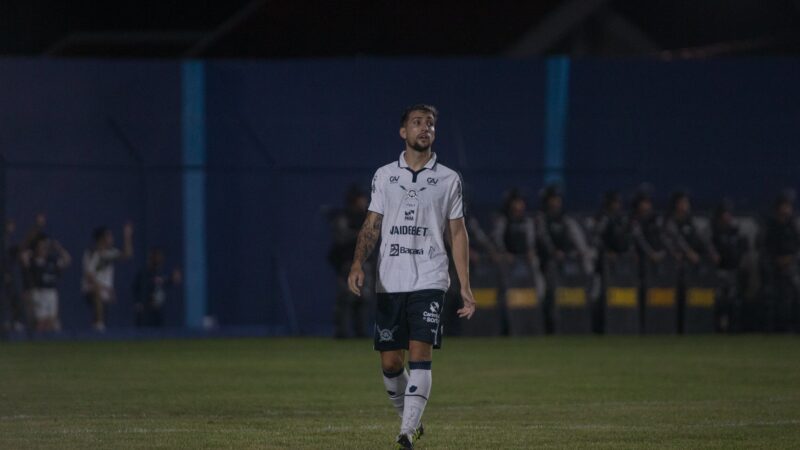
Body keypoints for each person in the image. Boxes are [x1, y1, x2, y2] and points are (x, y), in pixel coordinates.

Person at [347, 104, 476, 449]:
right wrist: (358, 263)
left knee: (420, 352)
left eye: (430, 124)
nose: (425, 128)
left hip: (431, 279)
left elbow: (458, 232)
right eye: (417, 123)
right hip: (391, 280)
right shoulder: (385, 175)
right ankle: (413, 420)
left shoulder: (449, 179)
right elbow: (373, 224)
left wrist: (465, 284)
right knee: (391, 362)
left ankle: (405, 433)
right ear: (402, 132)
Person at [327, 185, 373, 338]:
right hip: (348, 264)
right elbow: (341, 237)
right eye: (361, 199)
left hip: (365, 264)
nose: (364, 201)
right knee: (346, 298)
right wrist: (361, 234)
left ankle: (361, 331)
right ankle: (342, 332)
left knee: (364, 298)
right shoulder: (344, 217)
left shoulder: (367, 217)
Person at [81, 223, 133, 331]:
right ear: (102, 239)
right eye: (109, 236)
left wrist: (127, 236)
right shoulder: (91, 253)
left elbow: (127, 255)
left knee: (100, 316)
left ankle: (97, 329)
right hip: (91, 288)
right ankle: (99, 326)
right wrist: (106, 289)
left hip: (105, 290)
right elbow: (89, 276)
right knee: (97, 296)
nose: (111, 238)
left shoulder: (111, 252)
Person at [761, 191, 800, 332]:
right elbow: (766, 249)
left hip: (791, 268)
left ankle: (792, 327)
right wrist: (776, 261)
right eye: (785, 206)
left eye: (789, 206)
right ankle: (774, 328)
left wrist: (790, 259)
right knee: (775, 299)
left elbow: (796, 247)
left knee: (793, 294)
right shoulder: (771, 225)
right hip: (773, 269)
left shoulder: (792, 225)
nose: (787, 209)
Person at [20, 233, 71, 332]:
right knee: (41, 322)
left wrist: (59, 249)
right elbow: (23, 257)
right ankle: (37, 343)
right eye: (41, 246)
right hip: (38, 292)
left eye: (45, 246)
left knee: (52, 322)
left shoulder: (51, 260)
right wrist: (29, 251)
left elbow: (67, 260)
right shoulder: (32, 261)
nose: (44, 249)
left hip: (51, 293)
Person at [133, 248, 182, 327]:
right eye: (157, 257)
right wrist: (138, 302)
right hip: (146, 309)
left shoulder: (159, 271)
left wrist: (172, 280)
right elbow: (135, 288)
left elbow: (162, 281)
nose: (160, 259)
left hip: (157, 308)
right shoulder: (144, 272)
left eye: (160, 257)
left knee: (159, 333)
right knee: (144, 333)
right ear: (152, 258)